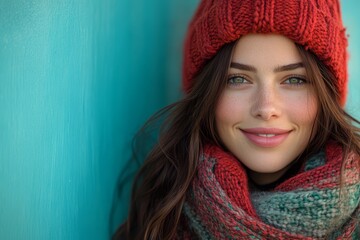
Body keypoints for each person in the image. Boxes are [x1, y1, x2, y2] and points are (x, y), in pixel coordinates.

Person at [114, 0, 360, 239]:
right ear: (207, 92)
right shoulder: (161, 220)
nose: (266, 108)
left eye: (294, 79)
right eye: (238, 79)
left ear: (326, 93)